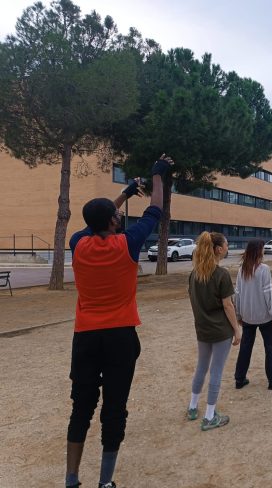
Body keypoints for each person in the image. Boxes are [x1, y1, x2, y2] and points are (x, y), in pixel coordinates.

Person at [65, 155, 172, 488]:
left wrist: (124, 193)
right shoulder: (127, 244)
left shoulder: (78, 244)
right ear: (112, 221)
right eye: (116, 216)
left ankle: (71, 478)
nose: (120, 217)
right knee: (114, 409)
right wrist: (158, 175)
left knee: (81, 407)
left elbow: (96, 220)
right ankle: (105, 482)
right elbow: (155, 210)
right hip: (120, 337)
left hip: (85, 337)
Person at [186, 231, 242, 431]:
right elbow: (228, 305)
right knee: (216, 371)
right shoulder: (221, 275)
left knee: (201, 367)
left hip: (203, 329)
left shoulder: (194, 274)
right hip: (220, 331)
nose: (227, 248)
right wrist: (237, 329)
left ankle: (192, 407)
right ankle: (209, 416)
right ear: (218, 249)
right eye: (226, 245)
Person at [234, 239, 272, 390]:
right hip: (264, 316)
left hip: (247, 315)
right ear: (259, 251)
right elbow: (267, 294)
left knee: (245, 346)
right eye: (263, 248)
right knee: (271, 347)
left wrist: (238, 314)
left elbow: (237, 293)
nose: (264, 251)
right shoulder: (263, 269)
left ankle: (239, 378)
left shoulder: (242, 269)